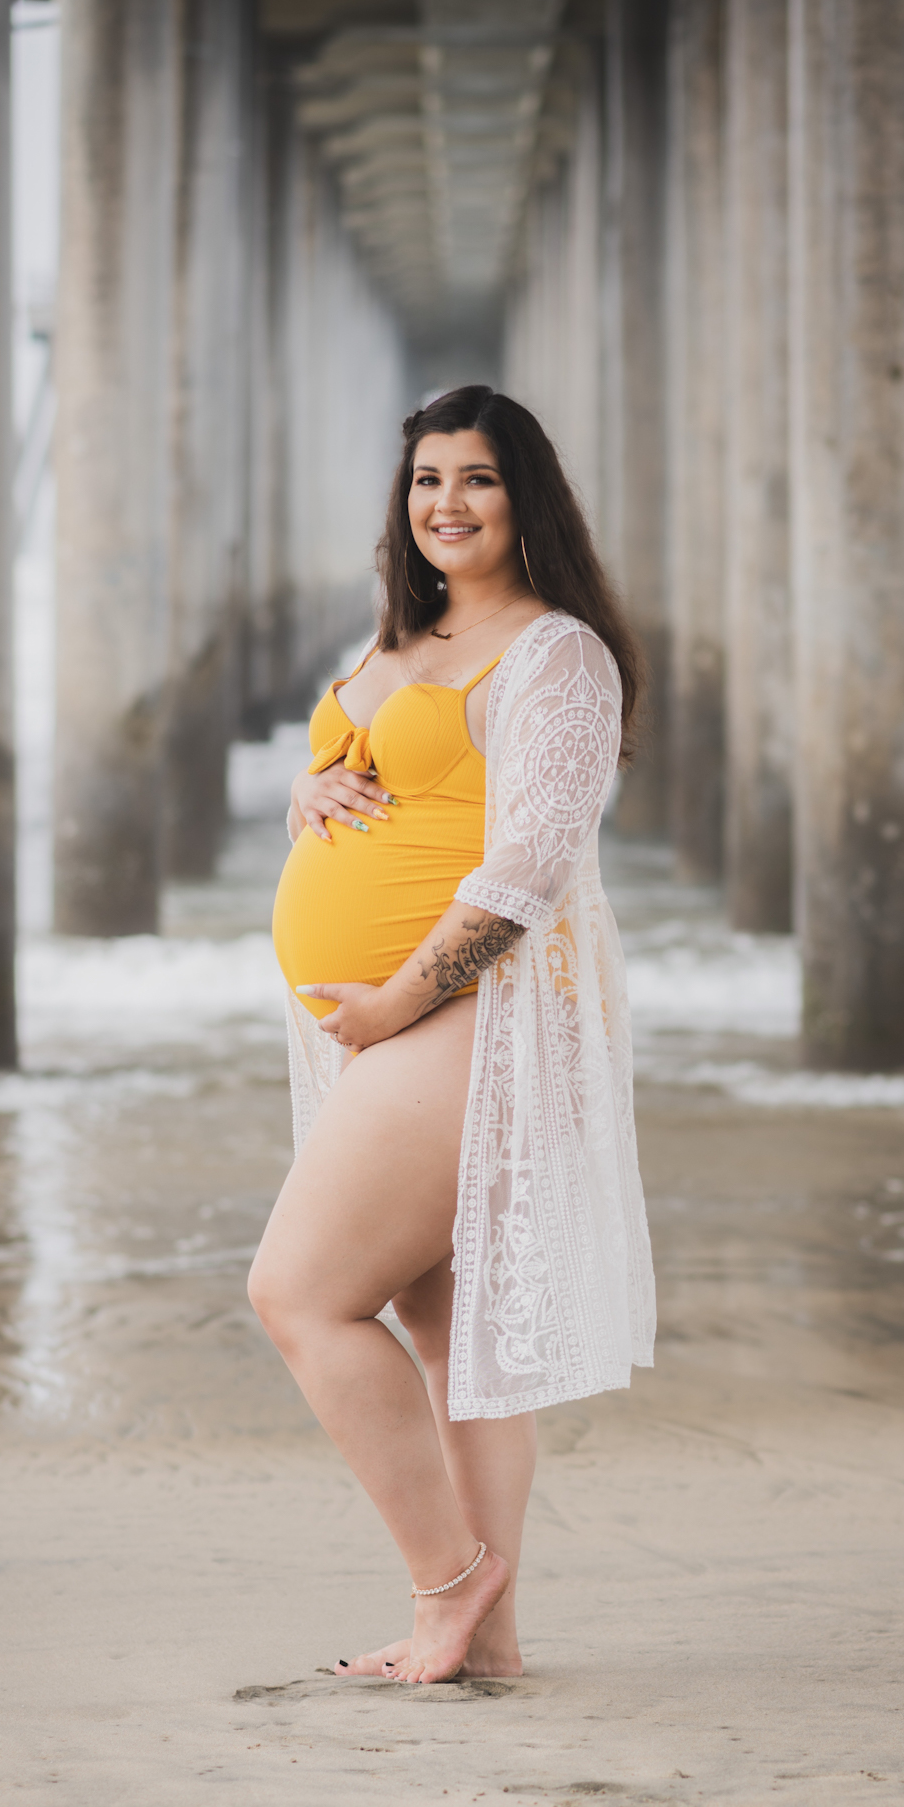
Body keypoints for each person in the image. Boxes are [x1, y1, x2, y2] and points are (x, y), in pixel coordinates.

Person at [248, 384, 656, 1685]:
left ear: (523, 495)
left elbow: (526, 869)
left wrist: (392, 1005)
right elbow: (379, 799)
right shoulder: (394, 646)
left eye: (476, 479)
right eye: (427, 480)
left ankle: (453, 1580)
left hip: (464, 1020)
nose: (447, 504)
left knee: (300, 1295)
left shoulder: (555, 655)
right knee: (448, 1330)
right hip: (382, 1033)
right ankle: (492, 1643)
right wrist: (307, 789)